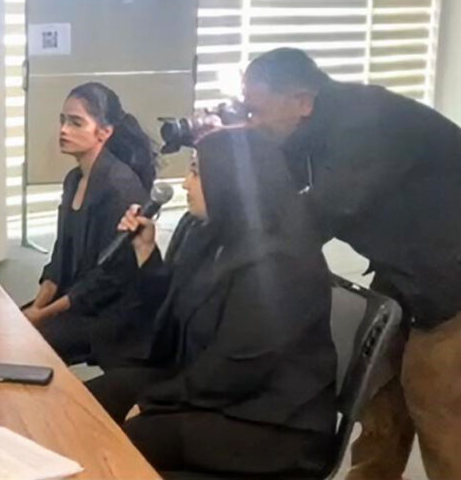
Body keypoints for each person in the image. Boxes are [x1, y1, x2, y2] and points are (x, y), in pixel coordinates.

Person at [242, 48, 461, 480]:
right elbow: (277, 199)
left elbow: (324, 210)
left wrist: (250, 255)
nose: (253, 123)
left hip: (449, 277)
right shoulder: (308, 131)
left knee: (434, 398)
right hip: (408, 269)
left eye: (256, 111)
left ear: (302, 101)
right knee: (378, 391)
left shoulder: (365, 121)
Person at [85, 128, 338, 477]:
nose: (187, 184)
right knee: (101, 394)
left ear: (231, 182)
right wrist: (146, 253)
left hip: (274, 423)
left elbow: (236, 368)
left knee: (140, 436)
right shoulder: (212, 234)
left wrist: (154, 402)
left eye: (196, 172)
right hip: (221, 391)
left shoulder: (281, 264)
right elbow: (178, 313)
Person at [22, 82, 158, 365]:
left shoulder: (120, 187)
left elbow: (106, 279)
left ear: (104, 132)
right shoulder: (74, 179)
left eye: (75, 123)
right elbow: (61, 255)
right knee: (11, 325)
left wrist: (42, 315)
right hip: (75, 297)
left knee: (26, 344)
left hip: (109, 310)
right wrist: (37, 306)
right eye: (63, 120)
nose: (63, 130)